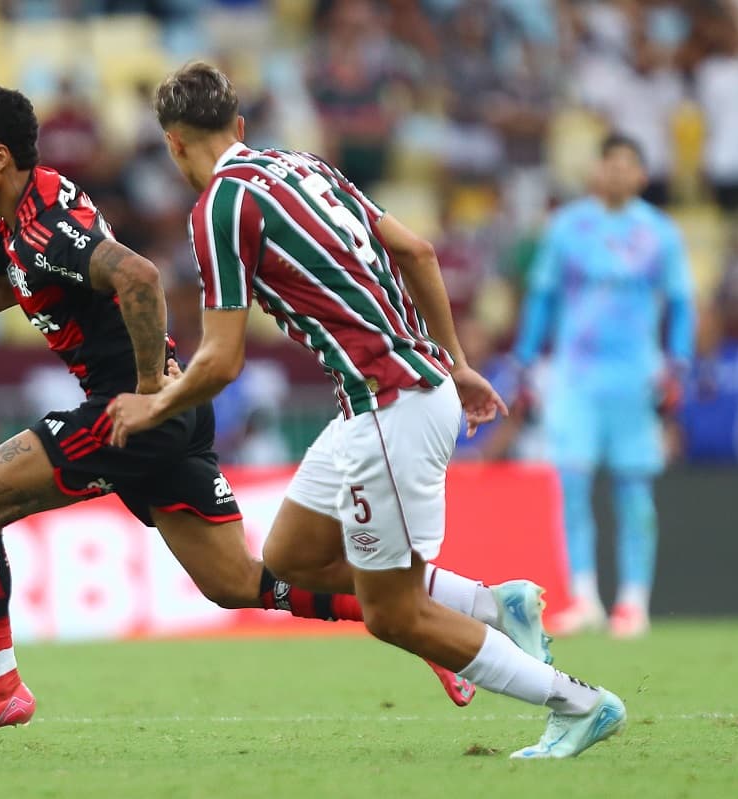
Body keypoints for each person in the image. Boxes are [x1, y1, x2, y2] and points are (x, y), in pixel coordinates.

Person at [0, 85, 499, 751]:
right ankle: (440, 618)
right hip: (165, 414)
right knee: (237, 582)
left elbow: (141, 276)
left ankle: (0, 686)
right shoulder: (24, 215)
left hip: (129, 409)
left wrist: (149, 390)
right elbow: (6, 284)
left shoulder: (48, 224)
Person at [107, 62, 626, 759]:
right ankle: (495, 604)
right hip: (395, 396)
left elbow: (221, 359)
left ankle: (577, 701)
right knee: (290, 558)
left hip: (391, 408)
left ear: (173, 145)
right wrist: (459, 362)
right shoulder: (303, 165)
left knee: (393, 613)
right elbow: (417, 249)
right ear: (239, 126)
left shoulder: (220, 207)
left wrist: (154, 403)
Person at [513, 134, 696, 638]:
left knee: (634, 490)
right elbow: (543, 297)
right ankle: (585, 597)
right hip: (575, 378)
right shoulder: (567, 227)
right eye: (608, 163)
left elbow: (681, 303)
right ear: (597, 170)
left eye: (627, 165)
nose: (616, 173)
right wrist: (527, 359)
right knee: (572, 485)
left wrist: (677, 363)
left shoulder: (660, 232)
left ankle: (634, 602)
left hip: (636, 378)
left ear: (641, 174)